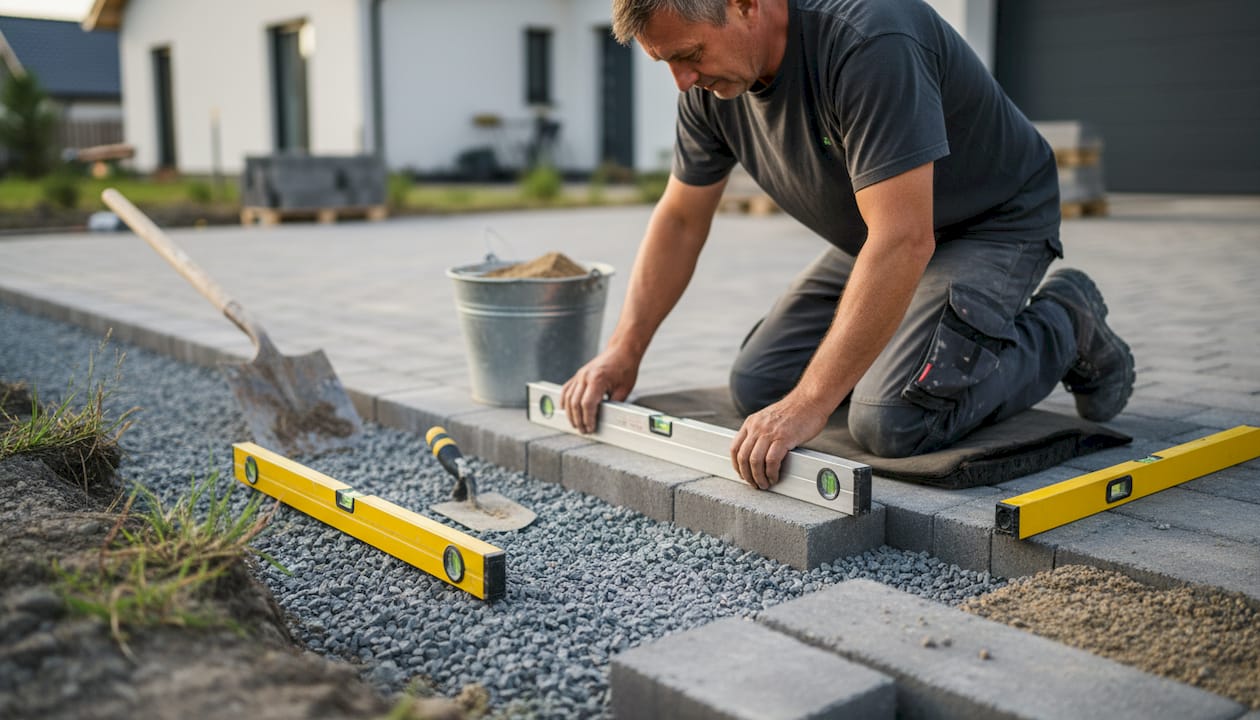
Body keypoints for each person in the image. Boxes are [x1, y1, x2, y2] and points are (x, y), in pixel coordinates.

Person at [560, 0, 1134, 491]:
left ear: (744, 3)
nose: (683, 81)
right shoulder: (709, 90)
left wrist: (809, 405)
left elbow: (905, 238)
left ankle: (1065, 323)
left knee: (891, 421)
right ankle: (924, 339)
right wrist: (624, 349)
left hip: (991, 222)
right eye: (666, 64)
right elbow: (682, 219)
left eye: (688, 55)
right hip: (883, 229)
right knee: (759, 387)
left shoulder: (868, 41)